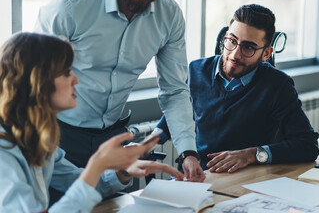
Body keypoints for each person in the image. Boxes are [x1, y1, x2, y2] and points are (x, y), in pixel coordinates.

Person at [34, 0, 204, 182]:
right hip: (59, 135)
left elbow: (175, 90)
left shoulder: (170, 16)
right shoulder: (69, 6)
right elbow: (36, 82)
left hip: (112, 139)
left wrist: (188, 152)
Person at [0, 32, 184, 212]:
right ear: (37, 81)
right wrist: (98, 163)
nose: (75, 79)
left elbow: (78, 182)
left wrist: (122, 171)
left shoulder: (36, 138)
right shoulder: (3, 152)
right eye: (66, 73)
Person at [157, 4, 319, 173]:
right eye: (232, 41)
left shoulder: (278, 85)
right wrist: (148, 143)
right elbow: (177, 114)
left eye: (248, 47)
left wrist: (252, 154)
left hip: (244, 180)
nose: (235, 54)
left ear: (266, 54)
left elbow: (308, 145)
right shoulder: (196, 70)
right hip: (197, 175)